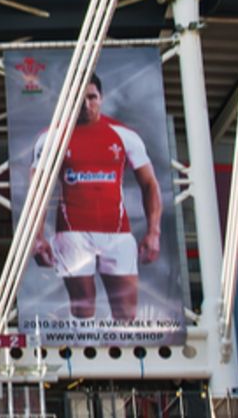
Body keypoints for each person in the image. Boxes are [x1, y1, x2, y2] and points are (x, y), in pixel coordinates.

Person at [30, 74, 162, 322]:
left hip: (118, 233)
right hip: (73, 234)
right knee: (83, 311)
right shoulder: (51, 138)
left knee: (126, 315)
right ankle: (83, 358)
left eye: (92, 97)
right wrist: (37, 238)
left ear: (101, 98)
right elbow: (38, 191)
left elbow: (150, 184)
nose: (86, 105)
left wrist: (154, 232)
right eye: (79, 99)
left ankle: (125, 360)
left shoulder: (124, 135)